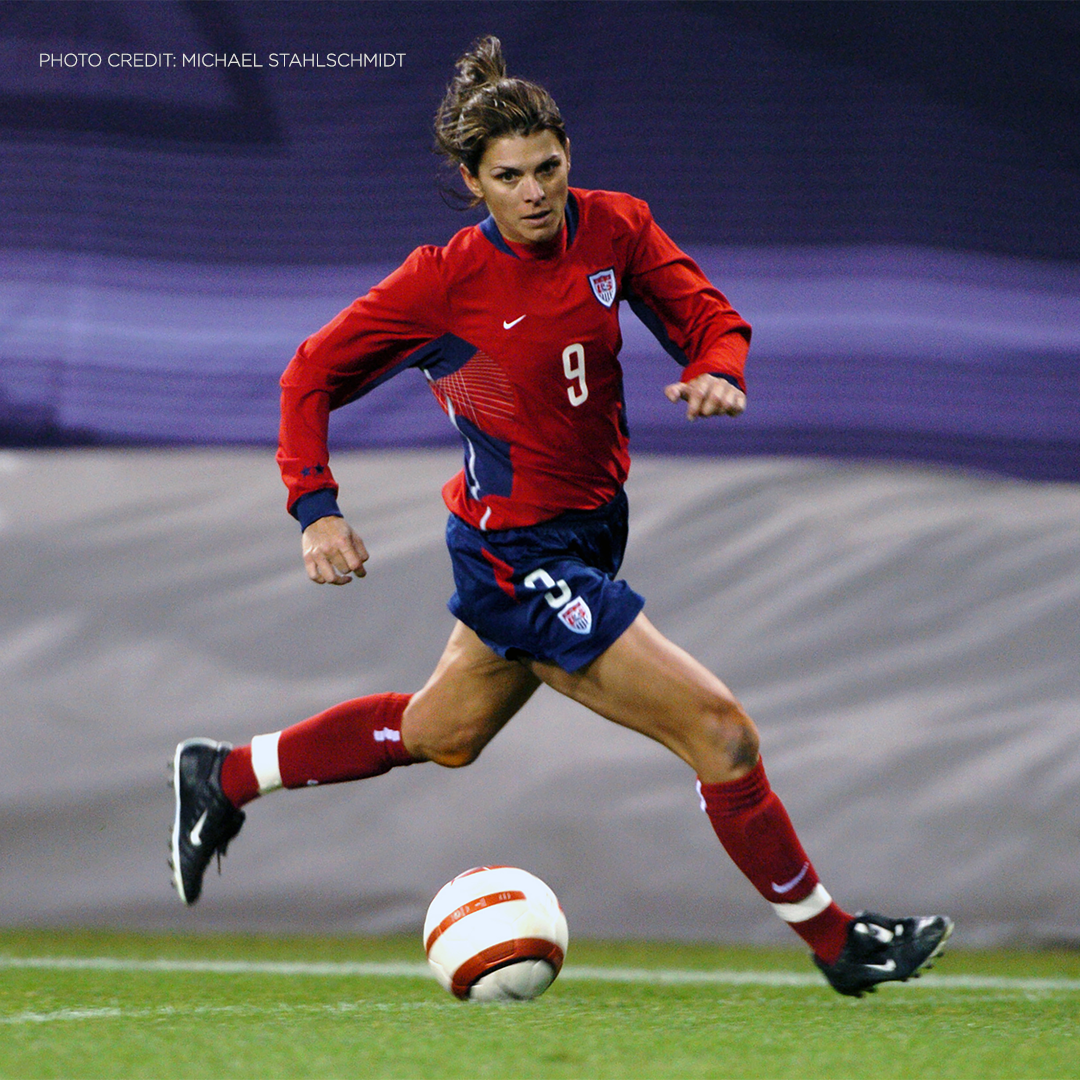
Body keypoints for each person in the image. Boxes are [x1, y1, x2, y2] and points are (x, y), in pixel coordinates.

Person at [170, 35, 952, 997]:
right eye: (509, 176)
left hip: (589, 531)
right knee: (722, 733)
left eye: (549, 166)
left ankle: (226, 776)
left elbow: (709, 316)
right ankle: (841, 944)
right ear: (472, 181)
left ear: (568, 157)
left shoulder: (614, 228)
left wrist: (717, 369)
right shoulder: (441, 282)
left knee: (442, 732)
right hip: (514, 553)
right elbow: (310, 374)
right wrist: (315, 510)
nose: (536, 191)